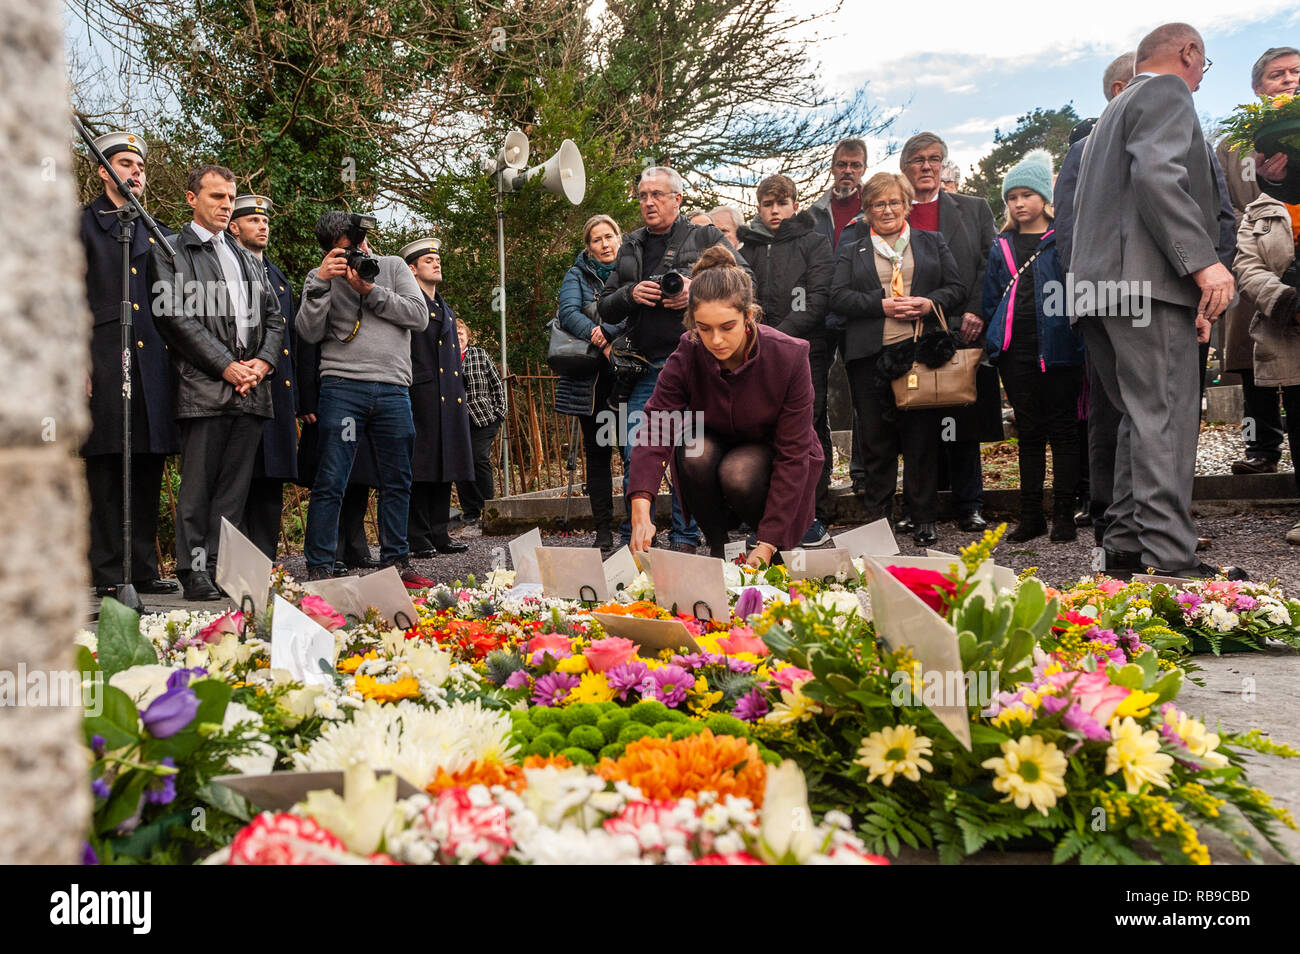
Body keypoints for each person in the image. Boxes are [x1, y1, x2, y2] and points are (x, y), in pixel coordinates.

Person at [1072, 22, 1240, 579]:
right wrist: (1203, 262)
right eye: (1203, 66)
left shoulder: (1107, 118)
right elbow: (1160, 178)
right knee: (1164, 417)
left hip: (1097, 290)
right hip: (1146, 285)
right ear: (1188, 53)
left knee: (1136, 418)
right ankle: (1171, 559)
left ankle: (1125, 545)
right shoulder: (1166, 92)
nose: (1199, 79)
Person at [627, 246, 822, 563]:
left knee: (739, 471)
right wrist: (640, 502)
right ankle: (719, 549)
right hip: (717, 446)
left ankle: (771, 548)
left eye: (727, 327)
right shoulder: (689, 350)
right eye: (704, 329)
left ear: (748, 316)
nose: (715, 340)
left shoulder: (789, 355)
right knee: (693, 451)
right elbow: (657, 425)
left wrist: (768, 542)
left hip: (773, 457)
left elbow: (793, 454)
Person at [597, 166, 752, 552]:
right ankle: (638, 534)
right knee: (637, 452)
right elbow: (605, 307)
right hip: (643, 367)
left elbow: (745, 280)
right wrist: (631, 294)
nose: (648, 202)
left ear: (677, 198)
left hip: (694, 365)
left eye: (657, 195)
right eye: (643, 195)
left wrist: (694, 290)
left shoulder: (705, 236)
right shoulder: (630, 245)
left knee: (688, 455)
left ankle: (685, 538)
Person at [152, 165, 283, 601]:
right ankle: (192, 572)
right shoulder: (171, 250)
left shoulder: (246, 256)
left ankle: (217, 568)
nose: (226, 206)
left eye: (230, 198)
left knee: (233, 491)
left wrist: (262, 364)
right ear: (192, 199)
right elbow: (175, 318)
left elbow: (274, 319)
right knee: (197, 489)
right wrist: (228, 365)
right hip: (203, 388)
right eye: (216, 197)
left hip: (252, 389)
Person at [830, 172, 969, 545]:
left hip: (920, 356)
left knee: (921, 439)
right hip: (869, 357)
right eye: (878, 203)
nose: (887, 209)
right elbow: (838, 297)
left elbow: (957, 288)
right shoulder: (851, 249)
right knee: (876, 441)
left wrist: (929, 302)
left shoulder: (931, 242)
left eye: (894, 202)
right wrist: (881, 305)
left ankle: (923, 517)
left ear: (907, 205)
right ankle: (879, 522)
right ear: (867, 210)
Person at [295, 212, 429, 584]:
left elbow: (418, 317)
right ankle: (320, 566)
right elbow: (307, 332)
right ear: (329, 252)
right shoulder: (319, 278)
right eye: (344, 251)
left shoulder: (394, 267)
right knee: (332, 478)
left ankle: (397, 563)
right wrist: (323, 282)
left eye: (358, 245)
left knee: (397, 479)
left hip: (393, 389)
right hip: (343, 389)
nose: (356, 254)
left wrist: (370, 292)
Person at [80, 130, 178, 599]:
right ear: (103, 171)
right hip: (100, 355)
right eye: (124, 164)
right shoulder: (79, 226)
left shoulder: (156, 232)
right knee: (104, 464)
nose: (135, 173)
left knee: (146, 461)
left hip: (152, 362)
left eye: (140, 167)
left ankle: (141, 567)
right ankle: (105, 571)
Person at [982, 151, 1085, 543]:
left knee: (1063, 430)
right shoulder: (1001, 246)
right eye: (1012, 197)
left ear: (1044, 197)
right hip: (1016, 350)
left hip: (1060, 348)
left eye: (1027, 194)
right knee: (1027, 432)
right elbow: (991, 300)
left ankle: (1063, 515)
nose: (1019, 203)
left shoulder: (1062, 241)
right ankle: (1030, 516)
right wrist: (997, 341)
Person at [899, 132, 997, 535]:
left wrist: (975, 308)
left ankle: (969, 503)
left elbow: (988, 264)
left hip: (961, 327)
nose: (927, 166)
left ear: (943, 165)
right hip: (908, 330)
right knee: (915, 423)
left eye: (935, 159)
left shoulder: (973, 209)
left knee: (962, 418)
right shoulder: (893, 211)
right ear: (905, 168)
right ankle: (916, 506)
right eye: (919, 160)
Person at [1055, 53, 1135, 542]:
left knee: (1168, 414)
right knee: (1110, 409)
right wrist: (1089, 301)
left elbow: (1217, 221)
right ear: (1120, 89)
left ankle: (1166, 514)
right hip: (1108, 301)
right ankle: (1110, 515)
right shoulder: (1083, 152)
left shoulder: (1186, 140)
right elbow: (1069, 233)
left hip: (1178, 302)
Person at [736, 173, 834, 545]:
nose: (774, 210)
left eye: (781, 202)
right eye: (767, 203)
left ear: (794, 203)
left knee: (809, 429)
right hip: (759, 352)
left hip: (807, 350)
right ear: (758, 207)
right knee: (764, 429)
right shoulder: (750, 249)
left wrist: (777, 338)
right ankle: (768, 516)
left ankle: (813, 515)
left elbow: (817, 297)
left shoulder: (814, 243)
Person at [1217, 47, 1300, 477]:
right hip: (1250, 261)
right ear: (1257, 88)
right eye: (1276, 75)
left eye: (1295, 72)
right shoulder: (1231, 144)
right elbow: (1221, 206)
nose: (1287, 80)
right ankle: (1261, 447)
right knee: (1251, 356)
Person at [228, 194, 299, 559]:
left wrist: (302, 401)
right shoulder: (224, 266)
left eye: (266, 221)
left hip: (277, 392)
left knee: (271, 481)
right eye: (253, 220)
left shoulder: (276, 275)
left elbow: (291, 341)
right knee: (239, 482)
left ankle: (267, 562)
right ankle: (238, 565)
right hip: (240, 386)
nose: (263, 226)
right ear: (233, 226)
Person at [1231, 185, 1300, 543]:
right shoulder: (1259, 211)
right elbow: (1246, 264)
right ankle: (1261, 447)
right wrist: (1285, 301)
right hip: (1287, 326)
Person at [401, 238, 473, 558]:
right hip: (423, 393)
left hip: (449, 396)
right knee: (421, 466)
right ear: (412, 268)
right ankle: (417, 536)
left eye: (437, 258)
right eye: (428, 259)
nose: (436, 262)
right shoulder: (410, 304)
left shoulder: (445, 307)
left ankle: (439, 531)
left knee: (445, 465)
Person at [555, 214, 622, 549]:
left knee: (633, 452)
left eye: (609, 236)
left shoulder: (631, 267)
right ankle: (604, 530)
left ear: (618, 238)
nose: (604, 244)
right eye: (597, 239)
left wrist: (613, 334)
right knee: (597, 454)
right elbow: (568, 313)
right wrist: (599, 337)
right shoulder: (576, 274)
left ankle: (637, 527)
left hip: (628, 375)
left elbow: (639, 311)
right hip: (592, 382)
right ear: (589, 246)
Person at [808, 137, 870, 499]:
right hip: (817, 314)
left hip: (859, 314)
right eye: (842, 164)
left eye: (855, 165)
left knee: (865, 397)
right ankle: (821, 479)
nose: (848, 171)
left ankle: (862, 477)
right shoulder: (814, 213)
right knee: (813, 399)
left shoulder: (875, 208)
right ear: (832, 167)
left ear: (864, 169)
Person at [454, 318, 506, 534]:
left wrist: (499, 412)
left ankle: (488, 506)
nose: (458, 337)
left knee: (478, 458)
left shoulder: (480, 355)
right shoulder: (445, 359)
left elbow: (497, 385)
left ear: (468, 336)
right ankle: (471, 511)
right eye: (454, 334)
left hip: (483, 418)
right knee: (460, 464)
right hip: (456, 421)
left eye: (461, 333)